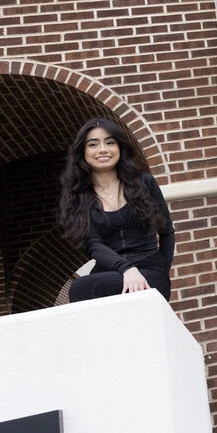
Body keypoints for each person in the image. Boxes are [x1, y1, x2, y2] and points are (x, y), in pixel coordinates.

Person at [58, 117, 175, 302]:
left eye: (110, 142)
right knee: (80, 288)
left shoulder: (144, 183)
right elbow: (92, 244)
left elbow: (167, 232)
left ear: (120, 148)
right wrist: (126, 269)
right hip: (109, 271)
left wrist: (162, 269)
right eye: (93, 144)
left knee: (85, 287)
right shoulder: (78, 196)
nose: (103, 149)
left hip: (149, 269)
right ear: (83, 151)